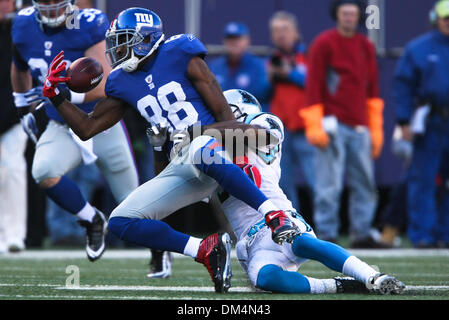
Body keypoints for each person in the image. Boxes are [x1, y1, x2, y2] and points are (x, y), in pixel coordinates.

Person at [41, 7, 301, 293]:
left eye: (124, 40)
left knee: (199, 143)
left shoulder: (180, 51)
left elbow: (223, 113)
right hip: (183, 162)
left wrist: (233, 155)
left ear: (145, 39)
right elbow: (87, 128)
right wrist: (56, 98)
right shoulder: (121, 81)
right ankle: (204, 250)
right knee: (120, 221)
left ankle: (274, 215)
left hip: (212, 146)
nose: (116, 49)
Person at [219, 89, 405, 295]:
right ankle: (338, 286)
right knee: (264, 279)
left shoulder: (264, 122)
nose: (216, 117)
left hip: (278, 216)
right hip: (251, 239)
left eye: (221, 112)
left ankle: (372, 276)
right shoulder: (209, 148)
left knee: (301, 242)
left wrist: (203, 131)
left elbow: (251, 135)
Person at [10, 0, 139, 261]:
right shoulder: (23, 24)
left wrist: (63, 94)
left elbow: (107, 82)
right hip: (61, 124)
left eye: (55, 2)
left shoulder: (90, 23)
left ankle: (160, 251)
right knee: (43, 171)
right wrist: (23, 105)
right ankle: (92, 220)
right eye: (45, 2)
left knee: (133, 200)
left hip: (101, 121)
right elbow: (19, 65)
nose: (51, 8)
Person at [300, 0, 386, 247]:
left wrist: (375, 126)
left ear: (358, 16)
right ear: (337, 16)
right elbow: (314, 83)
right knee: (329, 184)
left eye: (353, 13)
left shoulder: (365, 45)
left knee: (366, 184)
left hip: (360, 125)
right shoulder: (324, 42)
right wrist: (315, 122)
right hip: (332, 124)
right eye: (344, 13)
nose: (349, 17)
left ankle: (362, 233)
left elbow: (373, 87)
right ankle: (327, 234)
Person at [392, 0, 449, 248]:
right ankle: (423, 235)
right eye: (446, 18)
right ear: (436, 18)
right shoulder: (419, 48)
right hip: (432, 121)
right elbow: (403, 85)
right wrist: (404, 119)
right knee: (423, 179)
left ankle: (445, 234)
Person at [267, 11, 314, 212]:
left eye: (285, 29)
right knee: (283, 183)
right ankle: (293, 226)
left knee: (317, 182)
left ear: (295, 32)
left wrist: (290, 73)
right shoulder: (273, 60)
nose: (281, 35)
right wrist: (270, 77)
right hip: (282, 130)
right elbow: (263, 92)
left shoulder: (309, 54)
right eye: (276, 31)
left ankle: (326, 230)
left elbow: (316, 85)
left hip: (307, 128)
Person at [0, 0, 28, 253]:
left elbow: (21, 81)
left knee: (13, 170)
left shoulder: (21, 30)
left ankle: (14, 234)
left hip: (14, 113)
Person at [208, 22, 270, 111]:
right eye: (230, 39)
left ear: (247, 40)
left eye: (237, 39)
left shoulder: (259, 66)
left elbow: (264, 96)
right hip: (222, 120)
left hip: (250, 119)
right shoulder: (214, 66)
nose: (233, 43)